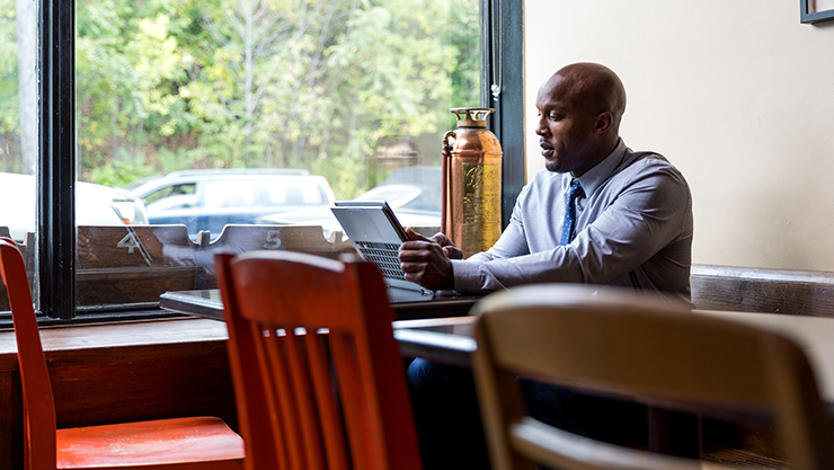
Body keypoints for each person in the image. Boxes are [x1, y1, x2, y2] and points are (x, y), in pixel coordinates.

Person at [399, 62, 694, 469]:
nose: (539, 128)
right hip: (558, 360)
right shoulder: (541, 188)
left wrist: (455, 274)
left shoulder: (653, 183)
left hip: (642, 380)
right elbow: (502, 259)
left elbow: (582, 262)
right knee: (427, 372)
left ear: (601, 123)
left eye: (554, 116)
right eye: (539, 114)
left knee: (531, 397)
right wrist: (455, 263)